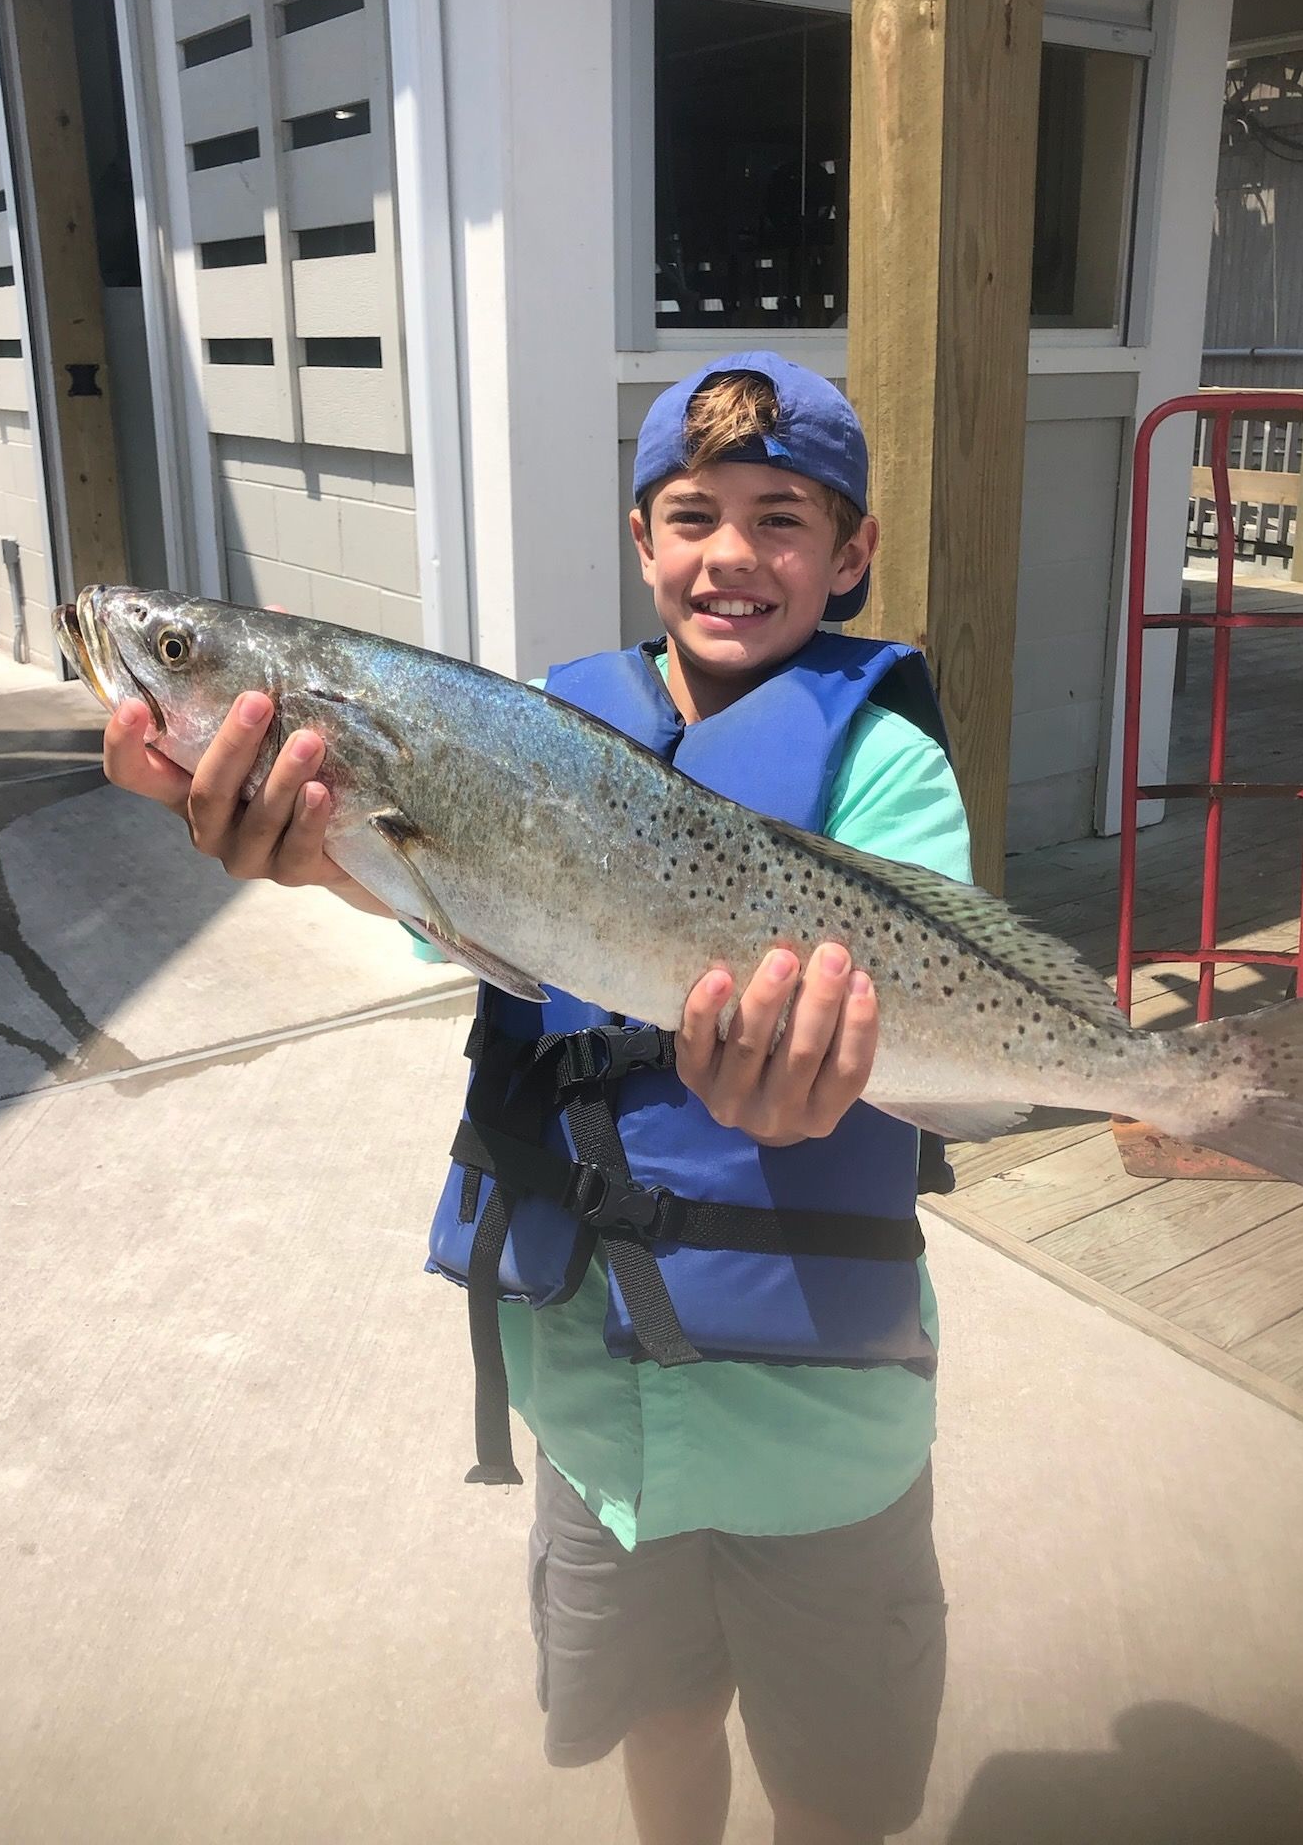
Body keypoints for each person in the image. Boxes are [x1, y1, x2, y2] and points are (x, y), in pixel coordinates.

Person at [103, 352, 971, 1845]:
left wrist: (824, 1085)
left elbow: (922, 1002)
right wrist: (320, 855)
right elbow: (462, 911)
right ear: (642, 541)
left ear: (853, 554)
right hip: (593, 1406)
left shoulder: (884, 764)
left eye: (782, 517)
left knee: (832, 1799)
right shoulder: (544, 728)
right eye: (693, 515)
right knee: (659, 1724)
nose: (732, 553)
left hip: (818, 1433)